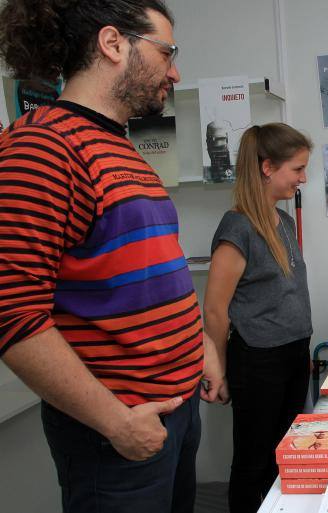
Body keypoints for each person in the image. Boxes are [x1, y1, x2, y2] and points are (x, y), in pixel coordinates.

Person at [0, 2, 227, 512]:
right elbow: (13, 312)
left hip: (175, 408)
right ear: (113, 43)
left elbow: (148, 277)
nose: (175, 71)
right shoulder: (41, 147)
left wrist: (200, 348)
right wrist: (114, 421)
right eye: (166, 52)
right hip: (118, 430)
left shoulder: (121, 150)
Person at [203, 123, 313, 513]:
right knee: (254, 462)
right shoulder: (237, 227)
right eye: (297, 169)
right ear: (268, 167)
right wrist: (216, 367)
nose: (303, 178)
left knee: (285, 454)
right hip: (259, 359)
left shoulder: (281, 220)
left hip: (293, 353)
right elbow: (215, 309)